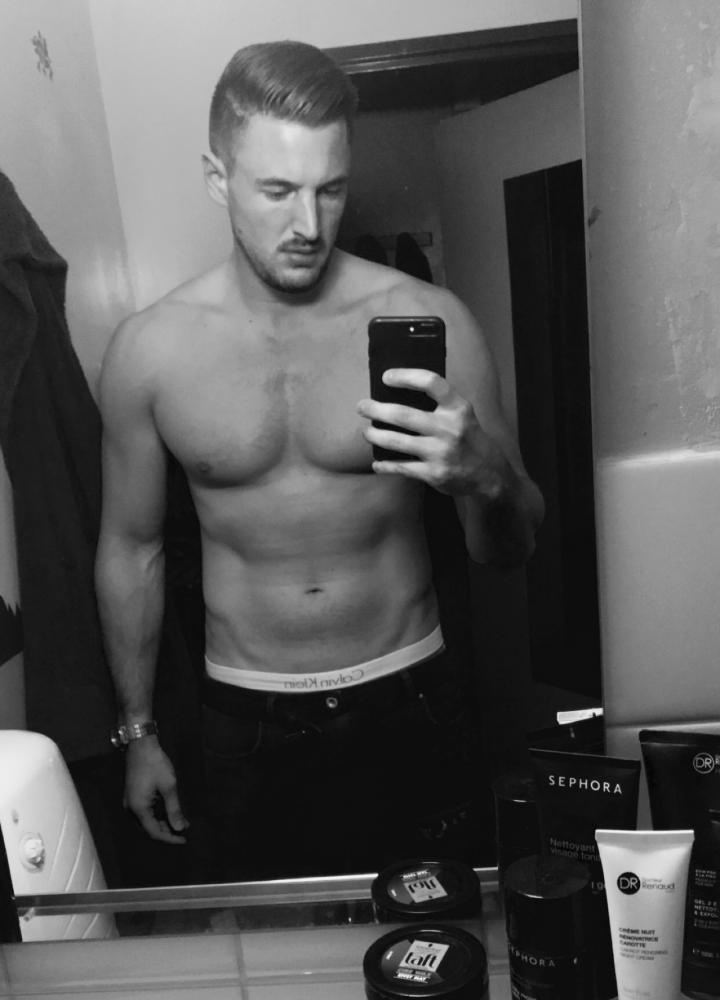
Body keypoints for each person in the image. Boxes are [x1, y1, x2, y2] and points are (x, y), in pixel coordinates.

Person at [95, 40, 544, 881]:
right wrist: (139, 733)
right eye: (277, 190)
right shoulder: (149, 351)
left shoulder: (433, 317)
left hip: (412, 698)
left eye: (330, 189)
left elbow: (506, 551)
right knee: (275, 944)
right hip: (246, 720)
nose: (308, 225)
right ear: (218, 177)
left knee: (444, 937)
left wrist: (486, 476)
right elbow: (132, 549)